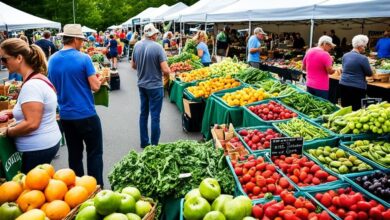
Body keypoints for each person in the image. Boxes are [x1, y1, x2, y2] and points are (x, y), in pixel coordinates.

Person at [48, 24, 105, 186]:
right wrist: (100, 80)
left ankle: (77, 190)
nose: (82, 43)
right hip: (86, 114)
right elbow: (95, 86)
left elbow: (53, 85)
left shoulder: (52, 60)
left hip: (66, 115)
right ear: (74, 39)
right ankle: (96, 188)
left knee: (74, 154)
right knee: (94, 153)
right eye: (81, 40)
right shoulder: (83, 58)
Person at [0, 38, 61, 173]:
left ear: (19, 58)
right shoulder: (37, 78)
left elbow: (32, 123)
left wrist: (9, 132)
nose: (3, 64)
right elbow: (37, 110)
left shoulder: (32, 85)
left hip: (36, 149)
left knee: (31, 191)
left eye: (4, 59)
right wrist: (12, 113)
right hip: (44, 143)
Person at [131, 23, 170, 148]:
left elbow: (133, 66)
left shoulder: (137, 45)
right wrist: (167, 76)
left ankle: (144, 142)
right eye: (156, 33)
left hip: (142, 84)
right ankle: (154, 145)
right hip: (155, 86)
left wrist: (144, 66)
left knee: (143, 114)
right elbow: (166, 69)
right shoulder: (158, 47)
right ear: (153, 34)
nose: (157, 35)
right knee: (155, 116)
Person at [340, 35, 372, 110]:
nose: (365, 48)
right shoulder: (363, 58)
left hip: (343, 84)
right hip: (357, 87)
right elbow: (369, 73)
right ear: (360, 46)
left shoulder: (345, 55)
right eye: (364, 46)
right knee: (356, 109)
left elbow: (344, 68)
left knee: (345, 108)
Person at [302, 35, 335, 100]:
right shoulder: (326, 54)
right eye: (330, 46)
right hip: (321, 86)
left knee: (310, 105)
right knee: (321, 107)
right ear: (325, 44)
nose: (331, 48)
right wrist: (336, 68)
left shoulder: (309, 51)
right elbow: (330, 72)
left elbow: (303, 68)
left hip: (309, 84)